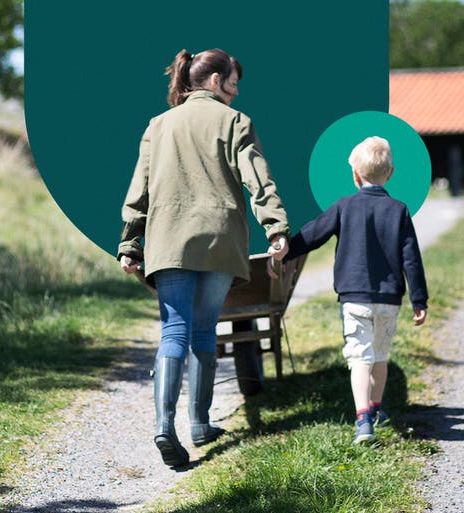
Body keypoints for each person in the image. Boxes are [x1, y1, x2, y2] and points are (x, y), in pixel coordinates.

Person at [118, 48, 290, 467]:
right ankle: (199, 422)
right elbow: (258, 180)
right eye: (233, 81)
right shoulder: (235, 121)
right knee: (203, 330)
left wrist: (129, 244)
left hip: (168, 242)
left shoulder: (157, 126)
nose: (236, 90)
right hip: (218, 242)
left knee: (172, 332)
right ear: (215, 80)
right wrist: (276, 228)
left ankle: (166, 426)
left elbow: (138, 190)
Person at [281, 136, 428, 443]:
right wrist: (419, 299)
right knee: (380, 356)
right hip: (389, 300)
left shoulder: (343, 206)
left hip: (354, 299)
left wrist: (285, 252)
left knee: (359, 358)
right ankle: (376, 408)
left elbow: (312, 234)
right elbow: (410, 257)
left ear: (355, 175)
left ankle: (363, 420)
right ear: (390, 174)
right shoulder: (399, 210)